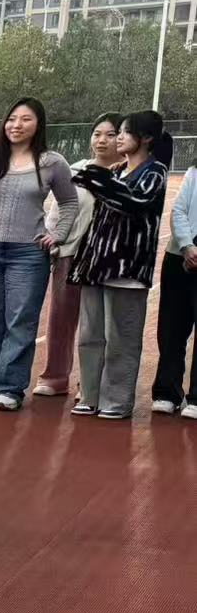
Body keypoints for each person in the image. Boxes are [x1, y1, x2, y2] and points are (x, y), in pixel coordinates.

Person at [0, 97, 80, 411]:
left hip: (29, 253)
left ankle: (10, 387)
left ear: (38, 124)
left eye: (25, 119)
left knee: (20, 321)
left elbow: (69, 203)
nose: (16, 125)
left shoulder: (52, 163)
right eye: (12, 119)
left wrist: (57, 235)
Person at [67, 111, 170, 419]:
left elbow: (133, 202)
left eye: (125, 132)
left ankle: (116, 400)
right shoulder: (116, 171)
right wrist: (100, 178)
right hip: (96, 266)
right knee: (90, 337)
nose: (118, 137)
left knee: (122, 339)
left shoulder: (155, 172)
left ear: (146, 138)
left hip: (128, 269)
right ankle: (89, 395)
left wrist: (96, 179)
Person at [34, 114, 123, 398]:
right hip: (71, 254)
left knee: (100, 323)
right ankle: (55, 376)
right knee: (61, 317)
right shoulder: (75, 170)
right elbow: (58, 210)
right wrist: (52, 240)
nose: (102, 140)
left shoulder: (129, 174)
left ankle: (91, 382)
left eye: (110, 134)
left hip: (107, 258)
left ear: (123, 138)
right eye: (97, 134)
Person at [154, 152, 197, 419]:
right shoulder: (193, 173)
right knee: (171, 328)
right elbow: (179, 210)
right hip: (179, 255)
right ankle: (167, 392)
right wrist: (187, 246)